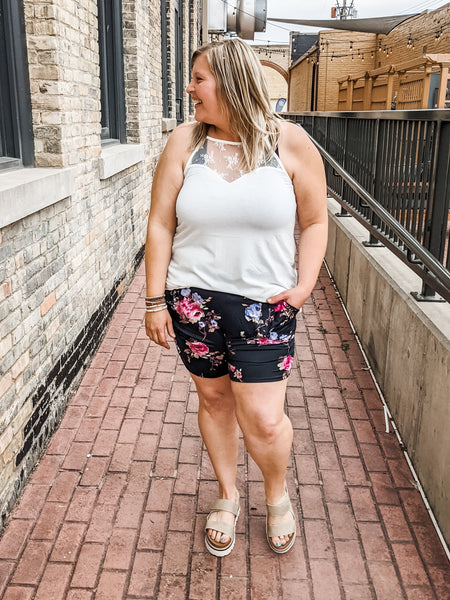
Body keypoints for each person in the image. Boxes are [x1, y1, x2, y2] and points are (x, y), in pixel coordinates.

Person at [144, 38, 327, 557]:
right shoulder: (185, 142)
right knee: (214, 400)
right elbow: (160, 223)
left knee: (264, 418)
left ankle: (276, 493)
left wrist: (304, 286)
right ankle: (227, 493)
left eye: (198, 78)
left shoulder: (289, 143)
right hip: (193, 304)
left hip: (265, 307)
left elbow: (315, 221)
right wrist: (155, 301)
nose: (189, 89)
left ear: (229, 82)